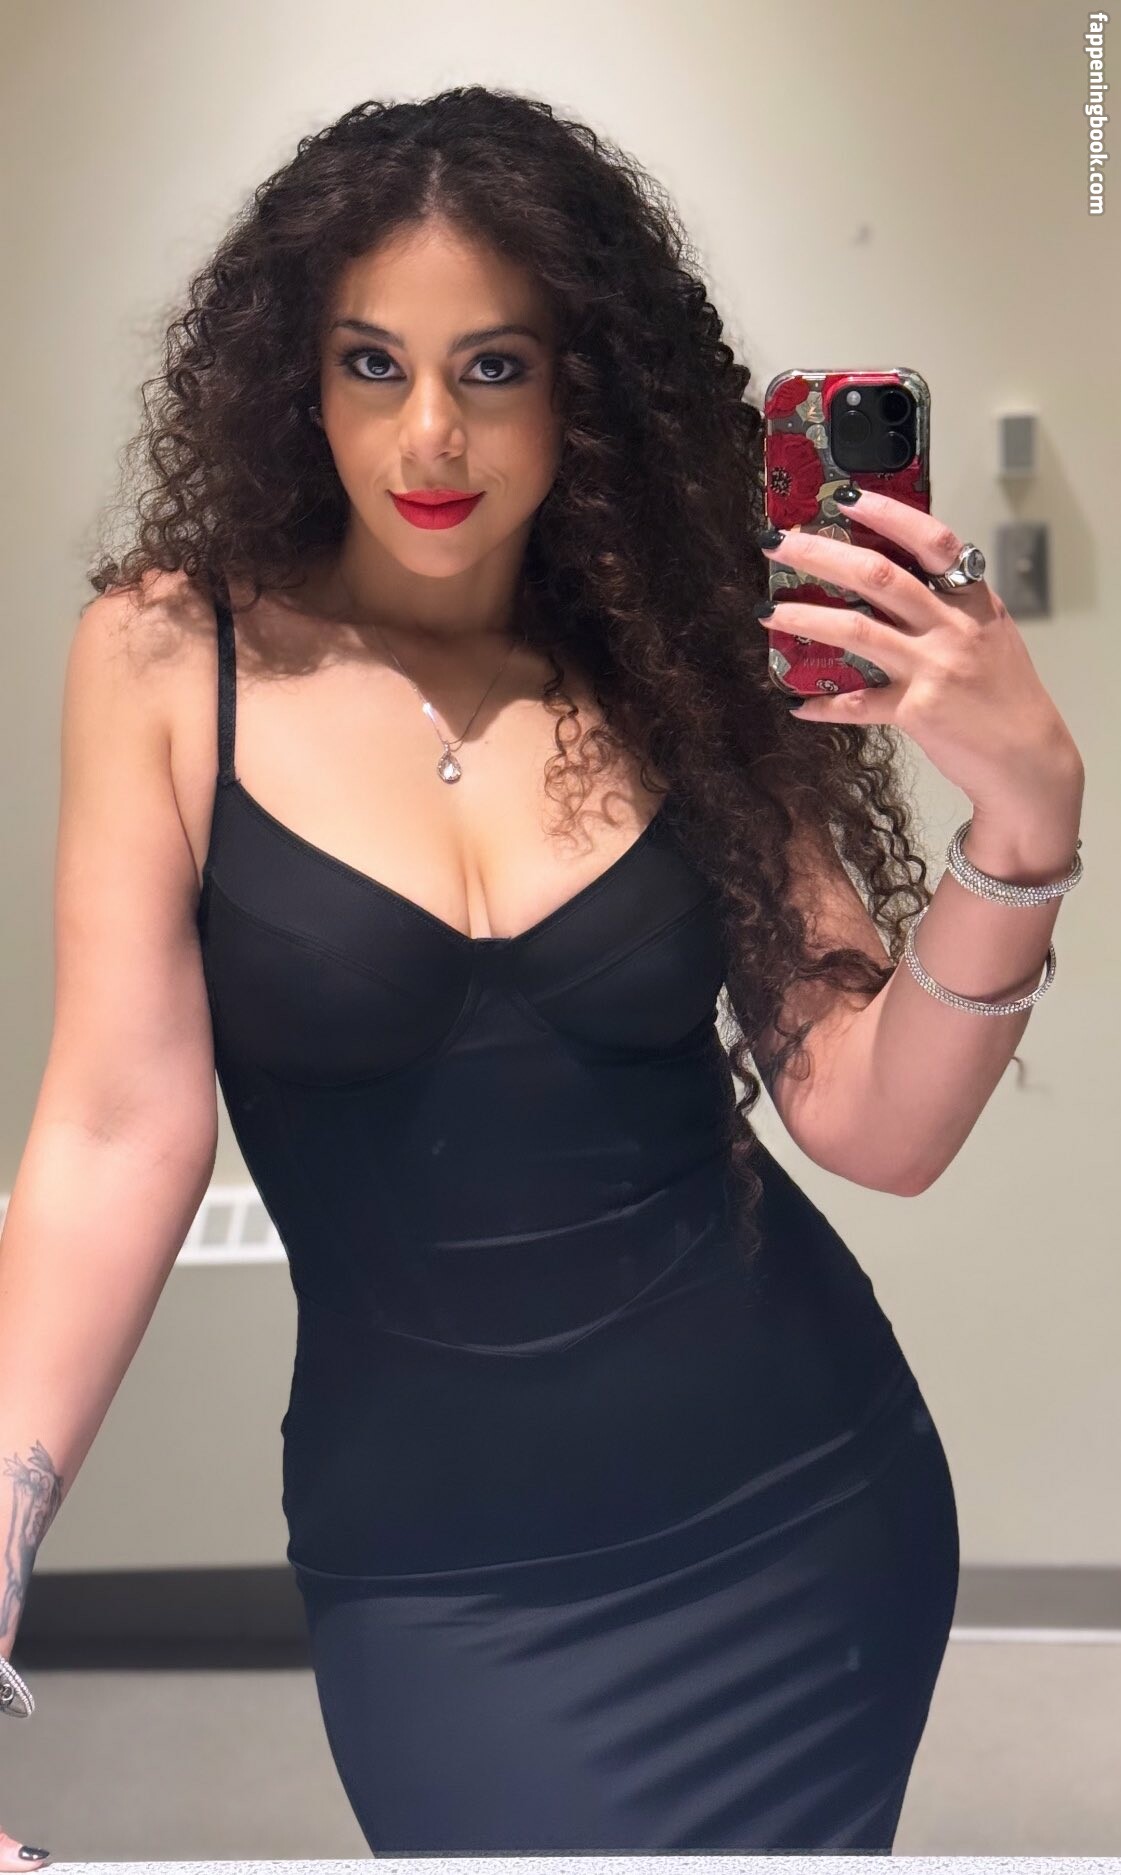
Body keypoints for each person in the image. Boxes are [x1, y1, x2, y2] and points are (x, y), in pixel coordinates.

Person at [0, 87, 1084, 1863]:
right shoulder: (169, 658)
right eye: (372, 364)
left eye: (491, 367)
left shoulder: (681, 661)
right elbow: (114, 1134)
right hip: (446, 1580)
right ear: (296, 378)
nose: (428, 432)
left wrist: (1024, 819)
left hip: (803, 1514)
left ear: (583, 382)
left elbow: (871, 1122)